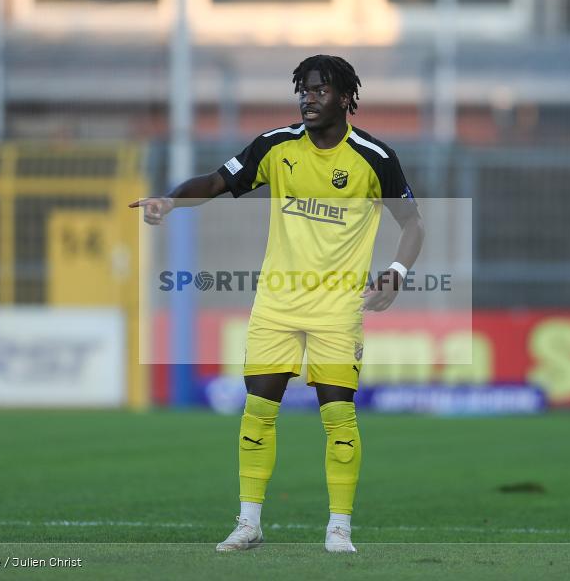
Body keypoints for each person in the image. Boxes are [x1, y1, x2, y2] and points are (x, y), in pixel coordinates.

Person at [131, 55, 424, 553]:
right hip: (276, 304)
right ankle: (249, 523)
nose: (309, 98)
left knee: (338, 417)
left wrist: (395, 273)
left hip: (337, 309)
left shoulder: (375, 158)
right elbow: (215, 183)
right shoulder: (274, 147)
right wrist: (171, 200)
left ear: (346, 99)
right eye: (304, 90)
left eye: (320, 90)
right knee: (258, 410)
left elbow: (413, 225)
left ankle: (339, 529)